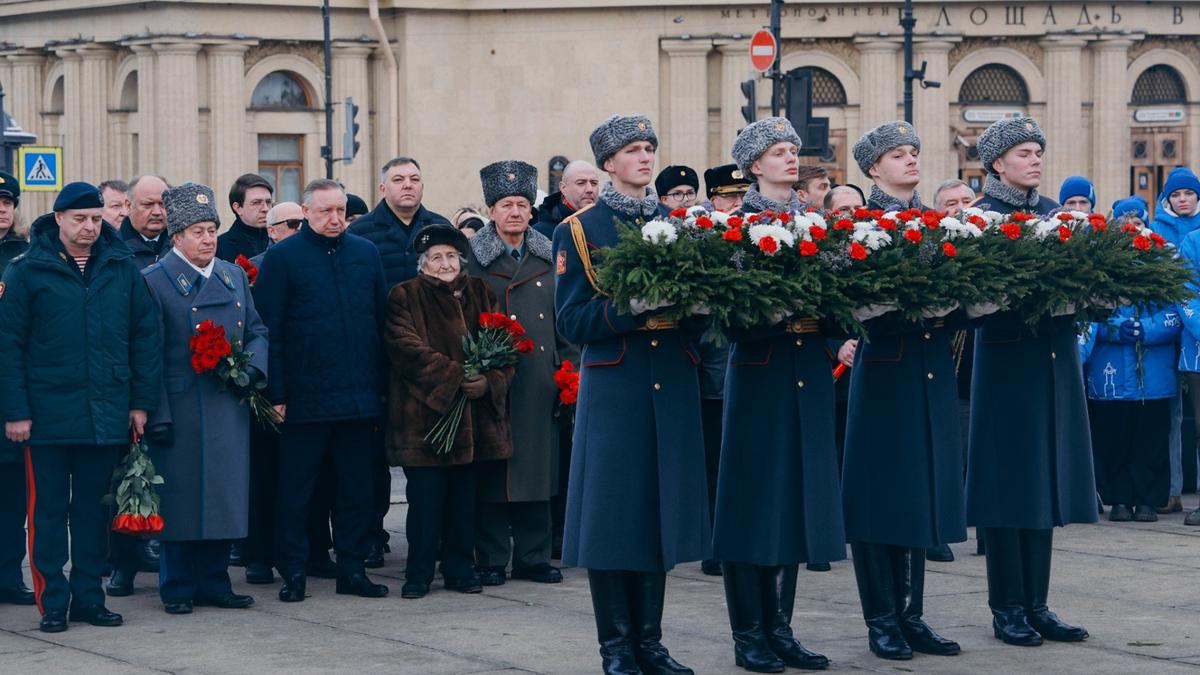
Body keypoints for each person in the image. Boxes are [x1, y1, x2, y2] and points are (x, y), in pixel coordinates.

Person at [554, 114, 710, 675]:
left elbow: (703, 318)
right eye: (633, 150)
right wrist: (629, 308)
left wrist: (698, 312)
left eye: (649, 148)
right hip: (617, 383)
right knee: (614, 516)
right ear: (608, 164)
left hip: (671, 376)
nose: (645, 158)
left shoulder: (682, 223)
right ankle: (616, 646)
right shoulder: (580, 229)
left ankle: (651, 641)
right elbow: (572, 321)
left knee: (657, 513)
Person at [712, 117, 843, 673]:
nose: (792, 159)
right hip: (760, 373)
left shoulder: (815, 221)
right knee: (750, 505)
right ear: (753, 165)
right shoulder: (733, 226)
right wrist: (767, 313)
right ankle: (749, 633)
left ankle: (781, 628)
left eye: (794, 151)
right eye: (779, 152)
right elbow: (721, 314)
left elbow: (838, 296)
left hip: (807, 373)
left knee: (793, 501)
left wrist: (841, 334)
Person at [0, 182, 161, 632]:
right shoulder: (27, 270)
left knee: (93, 512)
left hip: (106, 413)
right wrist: (16, 411)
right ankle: (53, 603)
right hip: (45, 419)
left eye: (95, 218)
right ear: (58, 220)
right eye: (79, 219)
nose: (89, 227)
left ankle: (90, 597)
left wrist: (140, 404)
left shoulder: (121, 266)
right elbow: (7, 347)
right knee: (47, 513)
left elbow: (144, 336)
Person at [969, 116, 1094, 648]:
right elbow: (970, 301)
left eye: (1039, 151)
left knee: (1042, 484)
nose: (1036, 159)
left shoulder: (1055, 216)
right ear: (998, 163)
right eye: (1024, 152)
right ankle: (1007, 607)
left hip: (1052, 362)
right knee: (1006, 489)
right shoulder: (977, 219)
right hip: (1005, 365)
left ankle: (1037, 604)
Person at [842, 121, 965, 661]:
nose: (911, 160)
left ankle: (911, 614)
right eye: (897, 154)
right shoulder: (859, 225)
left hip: (931, 369)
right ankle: (882, 619)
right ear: (873, 168)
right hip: (886, 371)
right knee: (878, 499)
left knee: (919, 495)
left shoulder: (938, 224)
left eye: (914, 152)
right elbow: (851, 301)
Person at [255, 179, 389, 603]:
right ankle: (293, 571)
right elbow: (268, 329)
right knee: (297, 492)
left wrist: (382, 390)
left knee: (356, 492)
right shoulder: (282, 258)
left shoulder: (365, 254)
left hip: (357, 398)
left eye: (341, 211)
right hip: (303, 399)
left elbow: (381, 322)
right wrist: (275, 393)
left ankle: (352, 569)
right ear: (307, 213)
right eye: (325, 211)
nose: (335, 219)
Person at [141, 183, 266, 614]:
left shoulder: (232, 275)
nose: (208, 238)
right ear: (176, 236)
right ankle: (177, 586)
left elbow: (255, 330)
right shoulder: (155, 281)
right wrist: (154, 412)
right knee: (180, 497)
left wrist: (251, 370)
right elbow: (147, 354)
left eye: (212, 229)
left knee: (223, 494)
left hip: (226, 403)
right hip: (179, 406)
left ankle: (215, 582)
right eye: (198, 230)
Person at [386, 223, 514, 598]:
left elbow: (504, 341)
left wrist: (488, 380)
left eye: (451, 257)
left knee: (465, 502)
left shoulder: (479, 290)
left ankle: (460, 569)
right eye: (436, 258)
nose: (445, 264)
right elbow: (405, 348)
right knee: (426, 503)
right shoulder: (404, 295)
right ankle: (419, 573)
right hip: (425, 418)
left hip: (474, 419)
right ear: (423, 264)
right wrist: (459, 376)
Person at [466, 161, 569, 587]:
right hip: (493, 379)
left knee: (538, 469)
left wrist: (569, 368)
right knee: (493, 468)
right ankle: (490, 556)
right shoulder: (473, 259)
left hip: (541, 378)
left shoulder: (549, 256)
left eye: (522, 204)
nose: (515, 212)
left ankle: (533, 556)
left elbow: (565, 317)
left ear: (532, 210)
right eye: (506, 204)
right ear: (492, 210)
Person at [1078, 198, 1179, 526]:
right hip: (1110, 373)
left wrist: (1145, 330)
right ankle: (1119, 498)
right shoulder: (1100, 269)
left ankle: (1148, 499)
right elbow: (1089, 312)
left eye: (1136, 228)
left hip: (1152, 374)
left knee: (1149, 438)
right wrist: (1113, 328)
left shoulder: (1163, 266)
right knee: (1114, 438)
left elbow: (1175, 313)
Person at [1149, 167, 1200, 516]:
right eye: (1176, 195)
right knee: (1173, 415)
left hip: (1187, 331)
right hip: (1177, 333)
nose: (1182, 200)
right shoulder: (1156, 231)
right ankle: (1171, 489)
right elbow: (1183, 288)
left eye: (1188, 194)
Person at [0, 170, 33, 607]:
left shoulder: (25, 257)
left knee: (11, 496)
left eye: (6, 204)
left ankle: (8, 577)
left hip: (13, 391)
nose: (1, 211)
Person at [350, 156, 452, 288]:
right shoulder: (359, 231)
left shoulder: (441, 227)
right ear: (382, 189)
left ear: (422, 187)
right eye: (398, 180)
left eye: (415, 179)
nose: (408, 185)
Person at [116, 175, 170, 271]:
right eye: (148, 205)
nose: (157, 212)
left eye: (163, 204)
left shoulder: (182, 246)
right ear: (128, 206)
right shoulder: (112, 249)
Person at [535, 160, 601, 238]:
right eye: (581, 183)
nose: (589, 189)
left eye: (594, 183)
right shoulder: (539, 233)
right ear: (563, 188)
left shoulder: (609, 224)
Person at [216, 173, 274, 262]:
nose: (265, 209)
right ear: (238, 208)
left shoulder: (281, 239)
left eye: (268, 202)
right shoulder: (219, 247)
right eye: (256, 202)